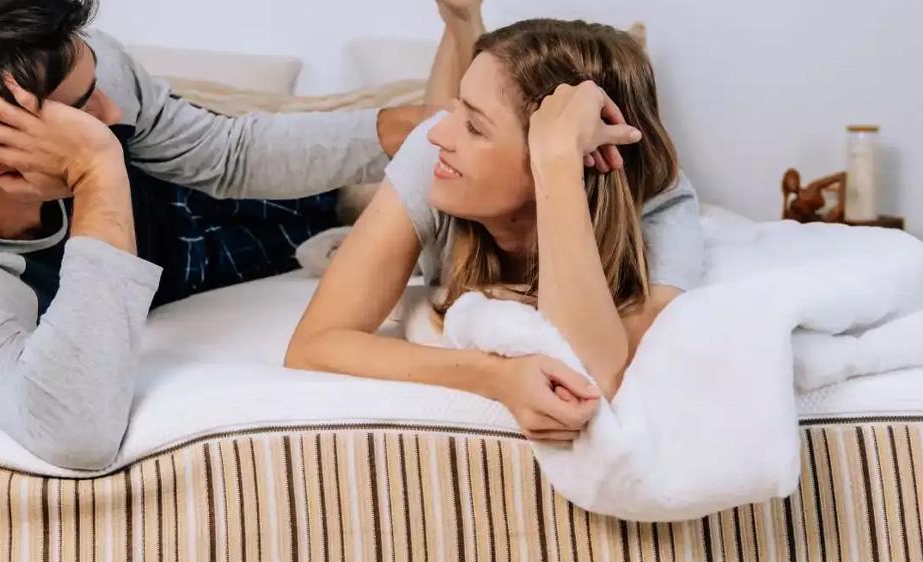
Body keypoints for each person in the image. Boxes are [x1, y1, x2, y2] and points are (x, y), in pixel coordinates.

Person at [0, 0, 427, 470]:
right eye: (86, 109)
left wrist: (408, 125)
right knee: (320, 223)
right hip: (158, 256)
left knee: (361, 170)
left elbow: (228, 154)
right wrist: (98, 169)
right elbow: (73, 433)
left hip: (166, 182)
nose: (113, 109)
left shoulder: (72, 64)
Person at [285, 2, 706, 444]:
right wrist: (494, 376)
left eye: (475, 127)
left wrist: (558, 167)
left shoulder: (661, 201)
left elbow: (596, 376)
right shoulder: (431, 157)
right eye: (456, 111)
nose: (437, 134)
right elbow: (314, 344)